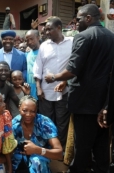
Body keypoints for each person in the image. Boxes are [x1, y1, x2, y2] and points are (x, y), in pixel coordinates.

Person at [44, 4, 114, 173]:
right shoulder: (111, 37)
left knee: (82, 146)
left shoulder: (83, 36)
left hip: (85, 103)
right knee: (101, 146)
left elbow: (73, 69)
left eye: (78, 19)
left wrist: (53, 77)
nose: (75, 22)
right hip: (105, 103)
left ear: (88, 18)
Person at [33, 18, 72, 149]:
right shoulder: (44, 45)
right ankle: (47, 148)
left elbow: (75, 66)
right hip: (45, 92)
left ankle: (60, 149)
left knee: (62, 122)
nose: (47, 32)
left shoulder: (71, 43)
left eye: (50, 29)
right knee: (46, 121)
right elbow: (38, 67)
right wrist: (38, 87)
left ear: (59, 28)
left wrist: (65, 82)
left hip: (63, 91)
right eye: (46, 29)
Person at [11, 95, 63, 172]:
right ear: (19, 108)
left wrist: (37, 150)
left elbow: (59, 154)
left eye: (32, 111)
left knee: (37, 162)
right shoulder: (14, 124)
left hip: (39, 160)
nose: (28, 114)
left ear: (36, 111)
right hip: (18, 160)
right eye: (24, 110)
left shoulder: (44, 123)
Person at [25, 30, 40, 100]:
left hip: (41, 90)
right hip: (30, 90)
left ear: (38, 38)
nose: (29, 42)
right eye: (27, 40)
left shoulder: (44, 52)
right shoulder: (27, 54)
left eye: (31, 39)